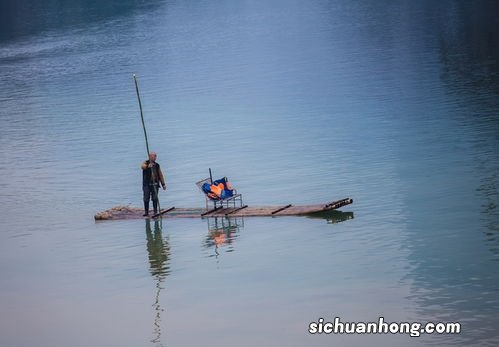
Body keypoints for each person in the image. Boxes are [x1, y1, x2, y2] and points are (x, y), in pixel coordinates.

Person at [141, 152, 166, 216]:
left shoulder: (157, 165)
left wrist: (163, 184)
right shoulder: (145, 163)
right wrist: (147, 166)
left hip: (155, 184)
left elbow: (160, 175)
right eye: (154, 156)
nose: (155, 157)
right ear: (150, 157)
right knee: (146, 198)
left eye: (155, 156)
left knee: (155, 198)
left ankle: (155, 211)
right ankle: (146, 212)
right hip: (147, 185)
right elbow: (142, 166)